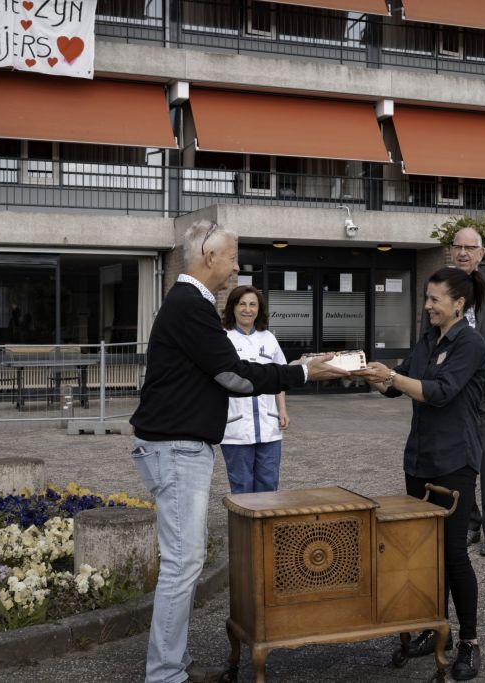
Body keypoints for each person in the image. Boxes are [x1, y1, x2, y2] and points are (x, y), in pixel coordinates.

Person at [129, 221, 348, 683]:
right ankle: (165, 674)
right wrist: (303, 375)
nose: (236, 266)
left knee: (183, 561)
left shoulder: (190, 303)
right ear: (209, 255)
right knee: (182, 564)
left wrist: (294, 368)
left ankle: (174, 664)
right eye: (231, 257)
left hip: (176, 447)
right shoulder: (191, 305)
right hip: (175, 449)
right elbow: (236, 377)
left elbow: (229, 373)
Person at [357, 266, 485, 680]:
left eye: (434, 299)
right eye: (427, 298)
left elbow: (440, 392)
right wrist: (366, 372)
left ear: (458, 304)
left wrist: (394, 376)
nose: (428, 305)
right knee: (423, 555)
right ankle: (437, 631)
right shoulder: (429, 339)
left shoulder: (470, 343)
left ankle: (468, 642)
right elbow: (396, 386)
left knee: (452, 554)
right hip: (419, 460)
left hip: (454, 463)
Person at [426, 227, 485, 557]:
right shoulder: (441, 284)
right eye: (458, 247)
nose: (463, 253)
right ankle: (470, 521)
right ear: (451, 251)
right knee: (457, 459)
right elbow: (429, 330)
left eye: (470, 248)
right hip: (453, 386)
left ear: (482, 253)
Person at [220, 285, 289, 494]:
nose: (247, 309)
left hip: (269, 424)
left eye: (253, 304)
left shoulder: (268, 338)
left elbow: (280, 376)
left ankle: (264, 526)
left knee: (269, 483)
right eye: (242, 304)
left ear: (259, 309)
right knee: (241, 485)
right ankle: (243, 527)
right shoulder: (223, 339)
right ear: (233, 307)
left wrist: (283, 410)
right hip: (236, 425)